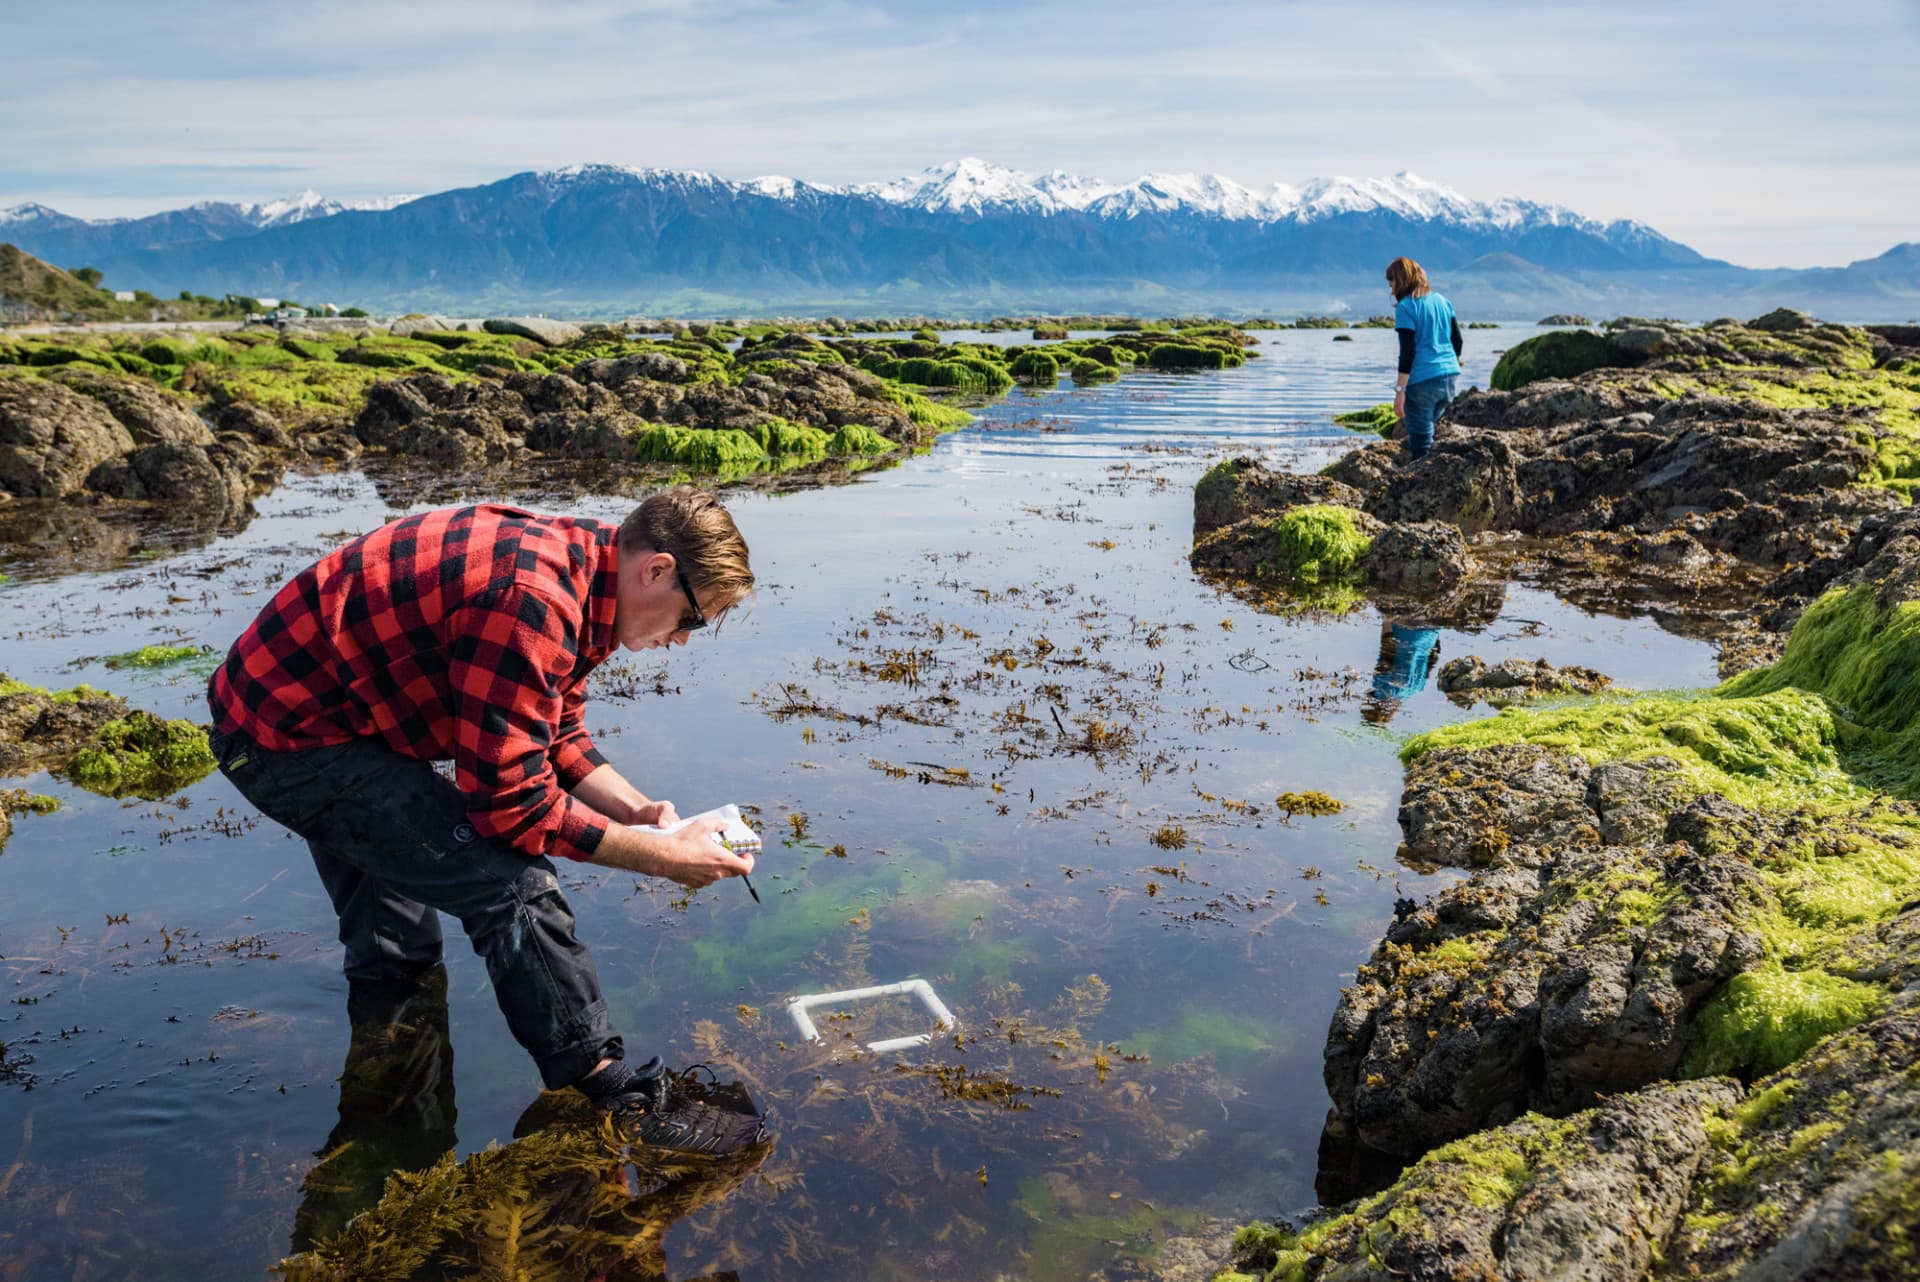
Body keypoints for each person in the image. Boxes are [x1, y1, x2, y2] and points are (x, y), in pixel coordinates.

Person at [207, 487, 768, 1155]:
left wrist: (639, 811)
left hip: (339, 719)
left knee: (397, 957)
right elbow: (512, 807)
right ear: (658, 570)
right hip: (286, 738)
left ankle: (385, 1127)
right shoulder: (534, 599)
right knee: (511, 885)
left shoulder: (587, 571)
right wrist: (664, 859)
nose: (681, 640)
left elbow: (556, 729)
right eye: (693, 618)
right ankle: (616, 1094)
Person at [1386, 256, 1463, 461]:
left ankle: (1424, 476)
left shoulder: (1405, 307)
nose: (1391, 290)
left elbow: (1408, 352)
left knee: (1422, 444)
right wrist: (1452, 361)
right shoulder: (1443, 301)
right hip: (1449, 378)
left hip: (1422, 382)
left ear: (1401, 280)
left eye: (1392, 283)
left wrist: (1400, 391)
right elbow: (1457, 340)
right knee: (1428, 429)